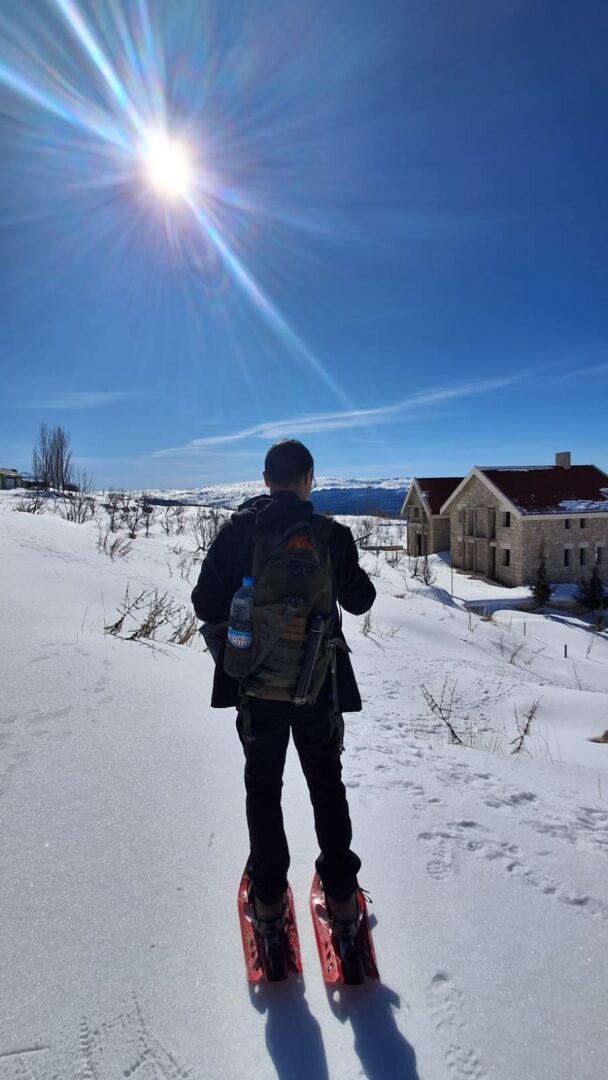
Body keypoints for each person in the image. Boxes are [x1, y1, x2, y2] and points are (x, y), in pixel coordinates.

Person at [191, 439, 375, 939]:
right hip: (318, 688)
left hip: (256, 689)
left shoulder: (239, 531)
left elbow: (205, 602)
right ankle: (342, 899)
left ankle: (269, 901)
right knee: (326, 783)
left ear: (266, 480)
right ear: (309, 479)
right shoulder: (331, 535)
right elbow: (361, 601)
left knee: (263, 786)